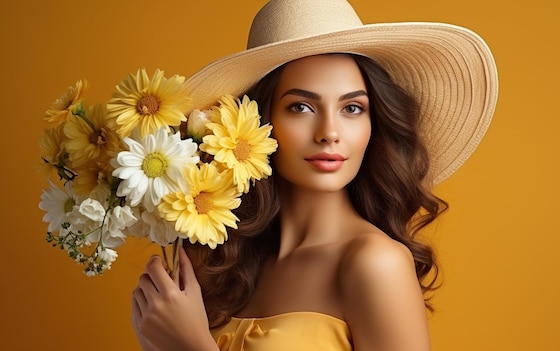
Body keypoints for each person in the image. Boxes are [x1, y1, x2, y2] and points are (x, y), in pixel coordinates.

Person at [130, 0, 498, 350]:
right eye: (301, 107)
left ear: (374, 124)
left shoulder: (374, 264)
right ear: (255, 123)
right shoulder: (228, 263)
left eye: (352, 107)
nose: (330, 132)